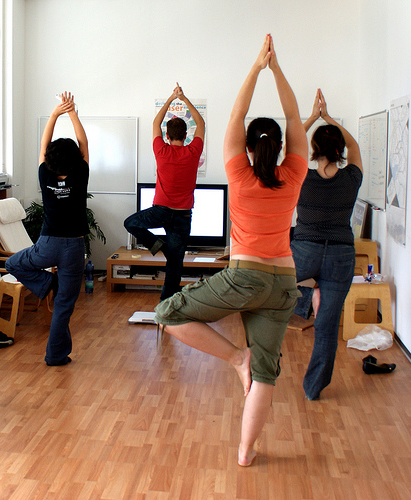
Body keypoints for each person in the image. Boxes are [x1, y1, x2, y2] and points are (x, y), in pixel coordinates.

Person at [154, 35, 308, 466]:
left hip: (244, 276)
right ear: (279, 148)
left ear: (247, 146)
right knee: (266, 373)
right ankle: (245, 452)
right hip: (284, 283)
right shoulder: (294, 172)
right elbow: (295, 114)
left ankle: (236, 358)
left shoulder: (237, 171)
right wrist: (277, 70)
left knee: (168, 313)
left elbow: (236, 113)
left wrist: (257, 67)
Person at [6, 92, 89, 366]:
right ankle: (55, 356)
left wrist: (55, 114)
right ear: (76, 159)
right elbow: (84, 143)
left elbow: (44, 146)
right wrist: (72, 112)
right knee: (64, 306)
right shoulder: (80, 174)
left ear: (50, 160)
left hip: (47, 245)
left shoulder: (45, 174)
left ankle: (46, 284)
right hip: (74, 248)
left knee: (12, 264)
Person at [291, 88, 363, 400]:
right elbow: (356, 145)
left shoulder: (301, 177)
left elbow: (289, 146)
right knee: (328, 327)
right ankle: (313, 388)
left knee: (284, 285)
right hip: (340, 256)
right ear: (340, 149)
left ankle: (306, 297)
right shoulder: (351, 178)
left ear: (314, 148)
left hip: (304, 253)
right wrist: (330, 119)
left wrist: (312, 118)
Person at [124, 84, 205, 300]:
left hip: (160, 211)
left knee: (130, 223)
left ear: (167, 136)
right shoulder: (193, 151)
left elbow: (155, 123)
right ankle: (166, 304)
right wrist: (184, 98)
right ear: (186, 136)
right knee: (175, 264)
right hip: (182, 215)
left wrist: (171, 98)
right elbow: (201, 123)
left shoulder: (161, 150)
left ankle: (159, 246)